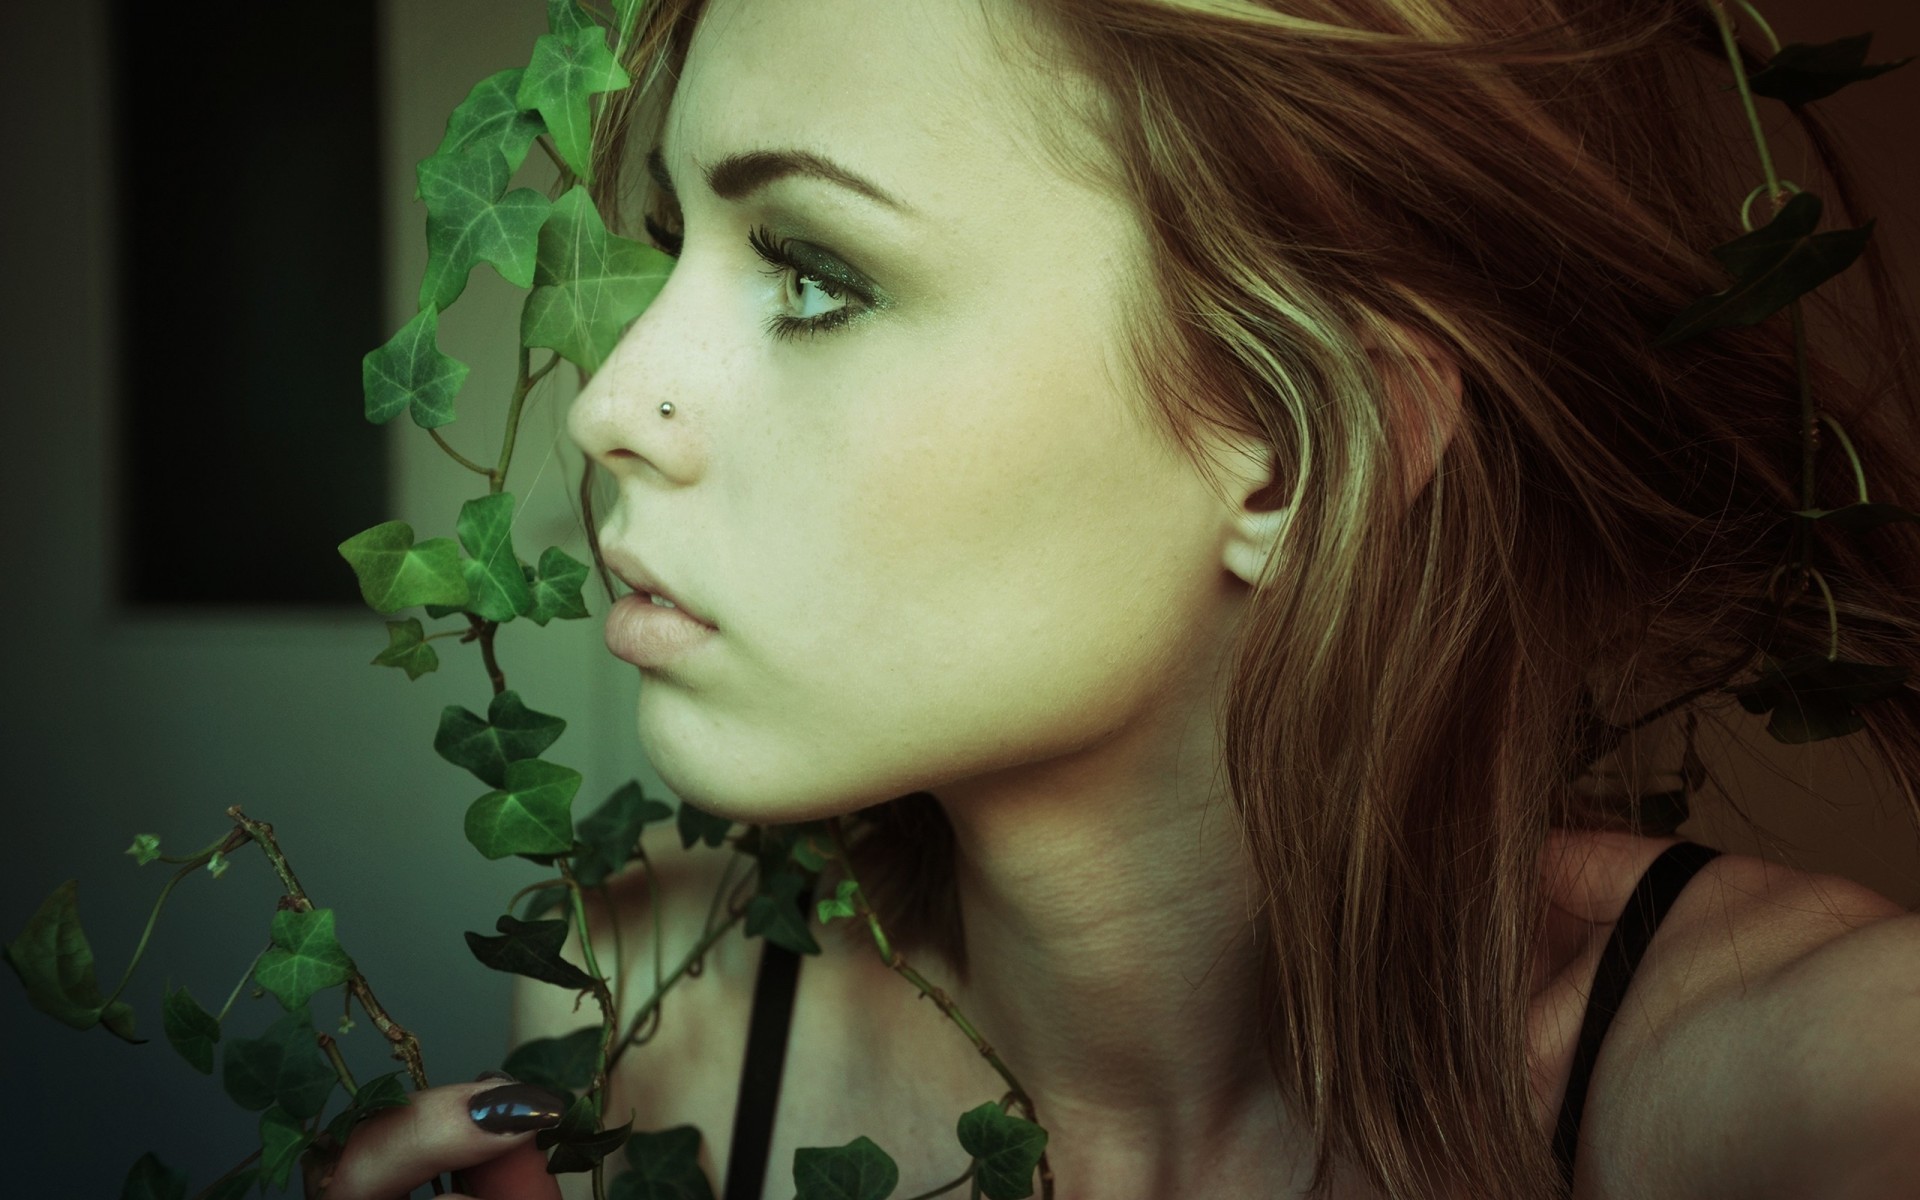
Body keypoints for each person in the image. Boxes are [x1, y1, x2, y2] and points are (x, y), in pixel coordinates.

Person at [320, 0, 1920, 1196]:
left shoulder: (1834, 1093)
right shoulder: (650, 1011)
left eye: (815, 274)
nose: (613, 399)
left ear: (1291, 455)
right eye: (677, 242)